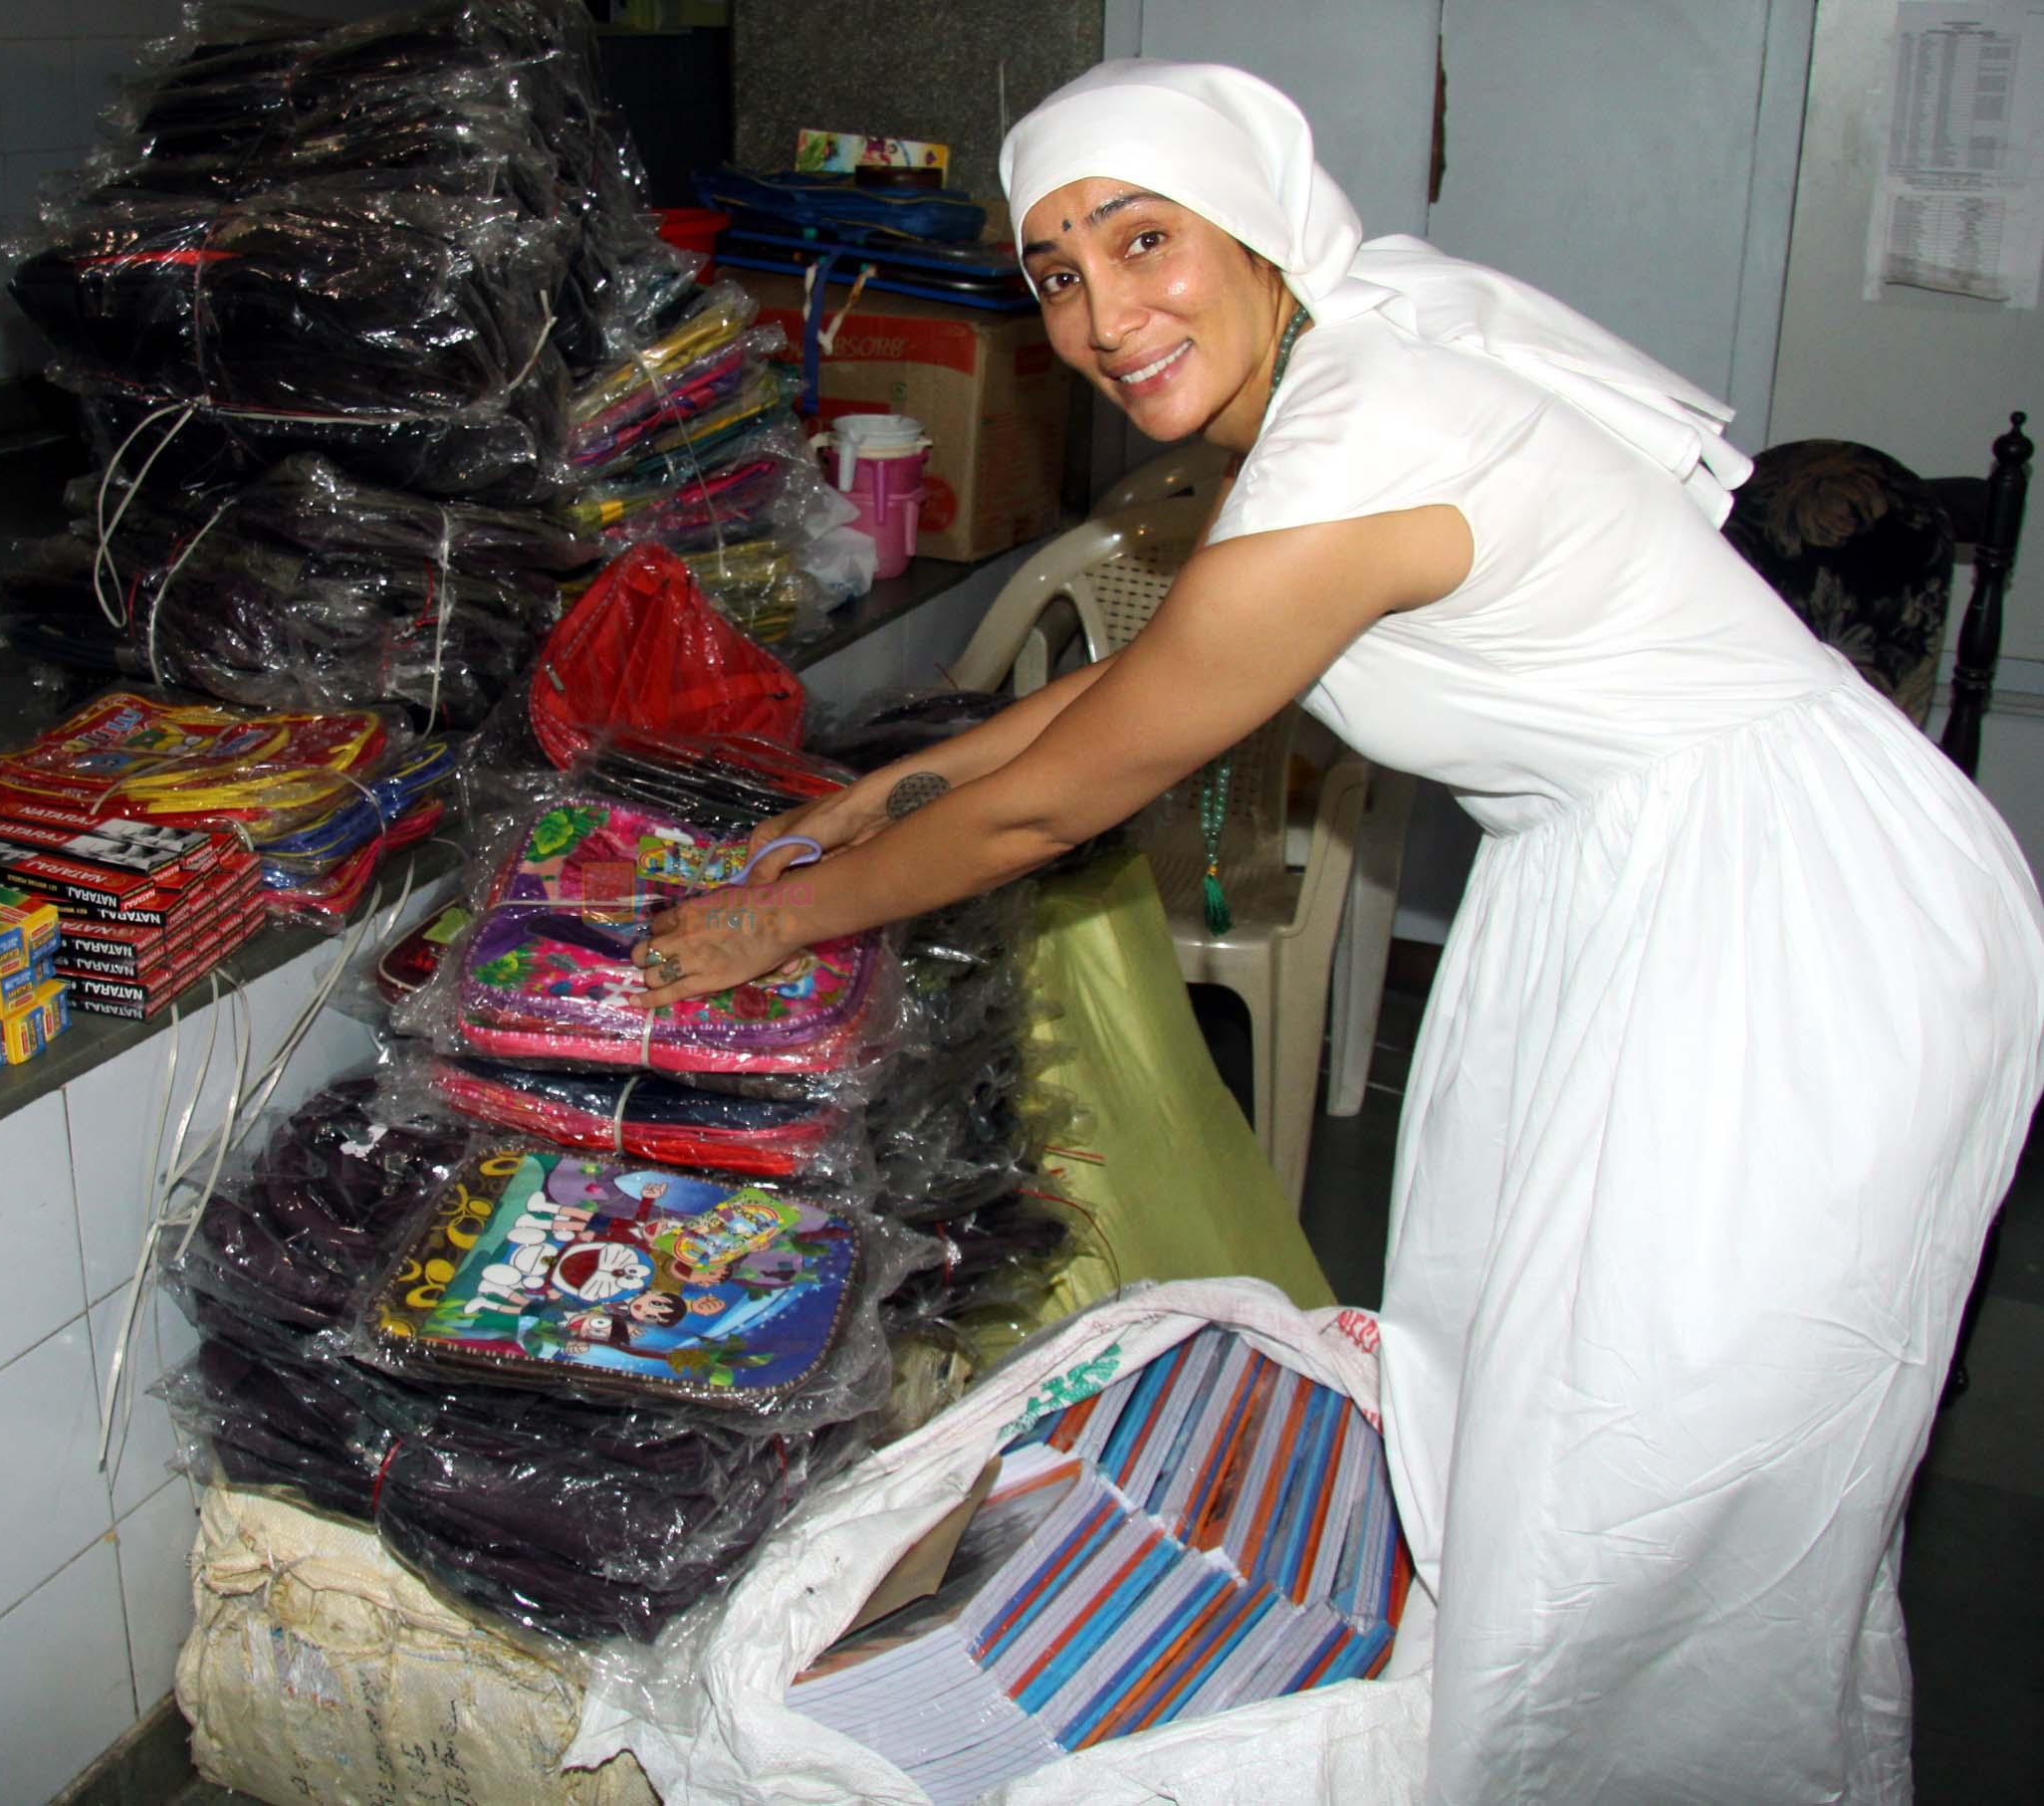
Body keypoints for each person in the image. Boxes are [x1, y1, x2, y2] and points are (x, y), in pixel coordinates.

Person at [633, 60, 2044, 1804]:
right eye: (1058, 271)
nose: (1101, 313)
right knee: (1555, 1409)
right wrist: (869, 799)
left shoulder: (1369, 431)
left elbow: (1057, 804)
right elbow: (1128, 691)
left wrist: (777, 918)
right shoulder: (1331, 375)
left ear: (1259, 228)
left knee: (1673, 1449)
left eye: (1145, 238)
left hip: (1793, 913)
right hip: (1650, 881)